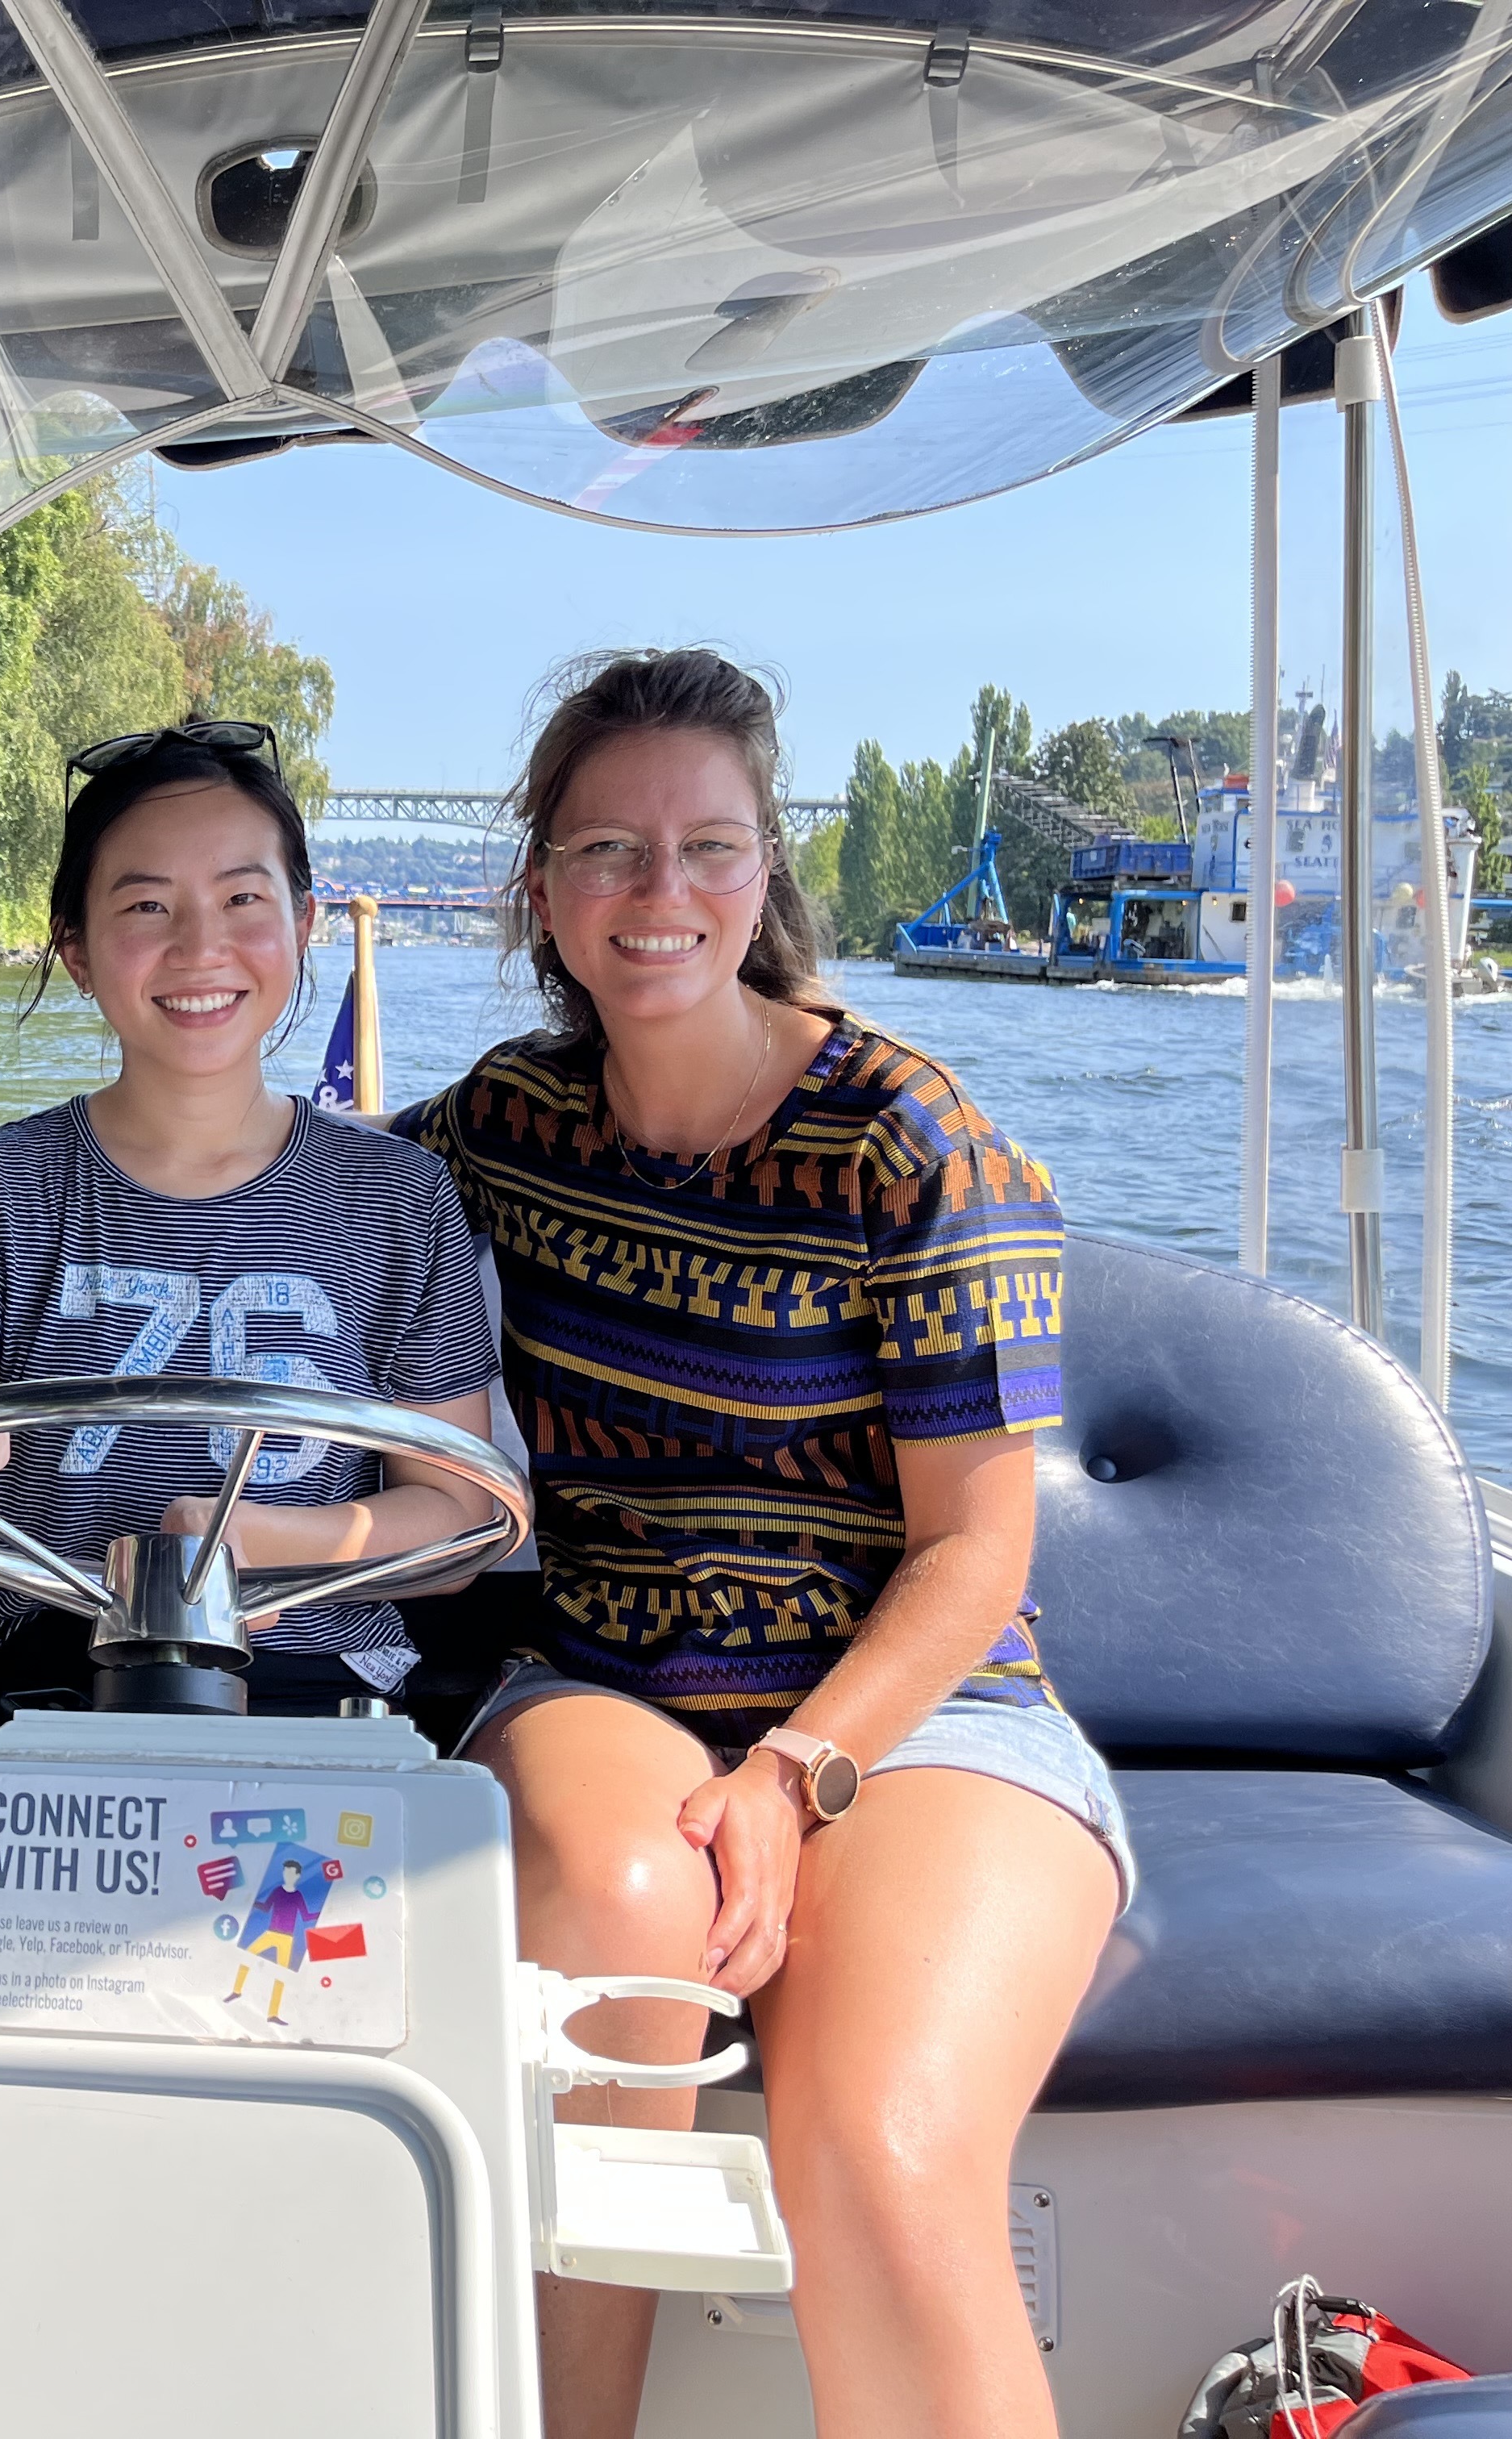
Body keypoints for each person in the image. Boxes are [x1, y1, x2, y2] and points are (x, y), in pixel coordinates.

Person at [394, 649, 1131, 2439]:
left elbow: (975, 1551)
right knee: (616, 1916)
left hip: (917, 1716)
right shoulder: (497, 1127)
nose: (660, 898)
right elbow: (257, 1197)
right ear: (542, 890)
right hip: (604, 1675)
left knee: (875, 2150)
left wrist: (800, 1770)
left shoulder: (911, 1140)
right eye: (607, 854)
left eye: (708, 849)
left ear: (767, 871)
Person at [0, 720, 502, 1744]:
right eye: (145, 906)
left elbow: (460, 1517)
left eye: (242, 900)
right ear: (76, 950)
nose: (199, 947)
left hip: (313, 1684)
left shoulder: (399, 1198)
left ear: (305, 923)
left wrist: (251, 1542)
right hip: (35, 1675)